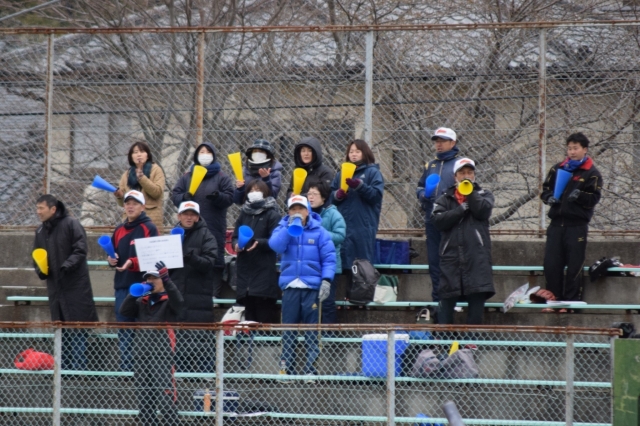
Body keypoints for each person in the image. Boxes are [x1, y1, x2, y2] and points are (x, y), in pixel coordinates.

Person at [269, 195, 336, 381]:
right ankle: (286, 368)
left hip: (311, 288)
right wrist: (289, 229)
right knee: (288, 329)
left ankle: (311, 369)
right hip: (290, 286)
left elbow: (329, 259)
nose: (297, 212)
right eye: (293, 209)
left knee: (312, 330)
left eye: (300, 209)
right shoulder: (283, 227)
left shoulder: (320, 232)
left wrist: (326, 281)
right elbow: (275, 246)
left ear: (308, 211)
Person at [33, 194, 98, 370]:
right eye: (37, 208)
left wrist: (67, 265)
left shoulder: (71, 224)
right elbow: (36, 256)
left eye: (41, 208)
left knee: (77, 327)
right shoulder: (40, 231)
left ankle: (78, 369)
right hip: (55, 288)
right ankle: (64, 369)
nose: (38, 212)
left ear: (53, 209)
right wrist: (41, 270)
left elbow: (81, 249)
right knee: (60, 328)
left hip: (75, 286)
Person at [540, 132, 603, 311]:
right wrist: (549, 198)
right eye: (569, 148)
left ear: (584, 149)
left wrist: (580, 196)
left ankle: (571, 302)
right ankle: (553, 300)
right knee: (552, 264)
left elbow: (594, 198)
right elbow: (545, 190)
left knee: (574, 265)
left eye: (575, 148)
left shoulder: (592, 173)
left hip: (576, 226)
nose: (572, 152)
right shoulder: (558, 169)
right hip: (556, 224)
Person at [431, 158, 495, 325]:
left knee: (476, 305)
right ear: (455, 176)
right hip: (451, 259)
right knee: (446, 303)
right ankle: (445, 339)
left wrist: (471, 193)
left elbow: (482, 211)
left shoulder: (485, 195)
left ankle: (471, 340)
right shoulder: (445, 198)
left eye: (469, 173)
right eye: (462, 173)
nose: (466, 176)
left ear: (474, 175)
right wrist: (460, 210)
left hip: (476, 259)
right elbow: (437, 221)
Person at [119, 261, 183, 426]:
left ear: (163, 280)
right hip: (141, 353)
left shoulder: (169, 300)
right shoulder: (143, 301)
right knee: (144, 399)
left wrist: (168, 281)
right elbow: (124, 311)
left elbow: (179, 304)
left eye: (155, 278)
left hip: (162, 354)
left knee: (165, 398)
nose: (151, 282)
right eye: (148, 279)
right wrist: (134, 293)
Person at [171, 141, 234, 299]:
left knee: (213, 259)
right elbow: (175, 195)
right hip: (189, 228)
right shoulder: (187, 177)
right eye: (202, 152)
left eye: (208, 152)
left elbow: (230, 197)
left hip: (214, 226)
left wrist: (218, 197)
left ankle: (213, 296)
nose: (205, 155)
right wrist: (184, 197)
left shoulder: (221, 177)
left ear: (213, 155)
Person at [107, 190, 159, 371]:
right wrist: (111, 260)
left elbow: (153, 257)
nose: (130, 206)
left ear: (143, 207)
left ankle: (144, 368)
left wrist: (133, 263)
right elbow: (113, 254)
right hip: (122, 286)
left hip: (144, 287)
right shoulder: (119, 230)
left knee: (144, 328)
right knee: (124, 326)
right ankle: (126, 367)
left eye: (135, 203)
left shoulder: (149, 228)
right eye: (127, 203)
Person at [416, 127, 462, 321]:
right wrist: (423, 195)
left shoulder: (460, 164)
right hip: (432, 219)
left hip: (452, 220)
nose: (439, 144)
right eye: (437, 141)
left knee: (452, 261)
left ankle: (455, 300)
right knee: (434, 262)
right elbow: (419, 186)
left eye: (443, 140)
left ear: (453, 143)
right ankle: (438, 301)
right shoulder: (431, 164)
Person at [169, 201, 218, 373]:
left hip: (199, 296)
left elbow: (209, 263)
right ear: (179, 216)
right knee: (180, 339)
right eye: (185, 214)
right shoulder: (171, 236)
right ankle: (182, 373)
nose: (189, 217)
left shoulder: (207, 235)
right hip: (178, 294)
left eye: (192, 214)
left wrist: (190, 256)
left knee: (201, 337)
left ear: (197, 217)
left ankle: (206, 374)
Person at [330, 139, 384, 292]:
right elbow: (330, 197)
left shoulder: (373, 173)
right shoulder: (340, 174)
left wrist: (360, 186)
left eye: (357, 151)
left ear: (364, 153)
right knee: (342, 262)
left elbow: (376, 196)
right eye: (351, 152)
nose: (353, 154)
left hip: (362, 227)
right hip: (342, 226)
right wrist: (337, 195)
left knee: (360, 264)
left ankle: (360, 296)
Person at [232, 180, 281, 323]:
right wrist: (236, 245)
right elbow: (235, 236)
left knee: (264, 319)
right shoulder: (243, 214)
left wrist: (259, 243)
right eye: (251, 190)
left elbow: (276, 241)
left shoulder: (272, 214)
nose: (254, 193)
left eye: (257, 190)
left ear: (265, 193)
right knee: (249, 321)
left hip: (264, 275)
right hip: (245, 276)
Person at [307, 179, 346, 324]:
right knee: (311, 303)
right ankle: (312, 333)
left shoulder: (333, 214)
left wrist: (321, 234)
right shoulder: (305, 213)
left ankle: (328, 334)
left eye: (314, 194)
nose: (311, 197)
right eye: (309, 194)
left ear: (323, 197)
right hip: (310, 265)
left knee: (327, 303)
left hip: (329, 266)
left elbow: (340, 236)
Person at [114, 141, 166, 229]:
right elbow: (122, 203)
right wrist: (119, 196)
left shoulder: (156, 170)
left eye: (142, 151)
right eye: (135, 152)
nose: (139, 155)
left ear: (147, 155)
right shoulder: (126, 175)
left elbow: (157, 192)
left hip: (151, 219)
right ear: (131, 157)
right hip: (130, 221)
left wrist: (142, 178)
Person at [232, 139, 283, 205]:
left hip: (267, 208)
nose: (257, 154)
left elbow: (272, 196)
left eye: (261, 151)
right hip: (248, 208)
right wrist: (240, 189)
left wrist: (266, 179)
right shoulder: (245, 171)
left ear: (268, 154)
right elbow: (238, 201)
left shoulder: (274, 172)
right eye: (255, 151)